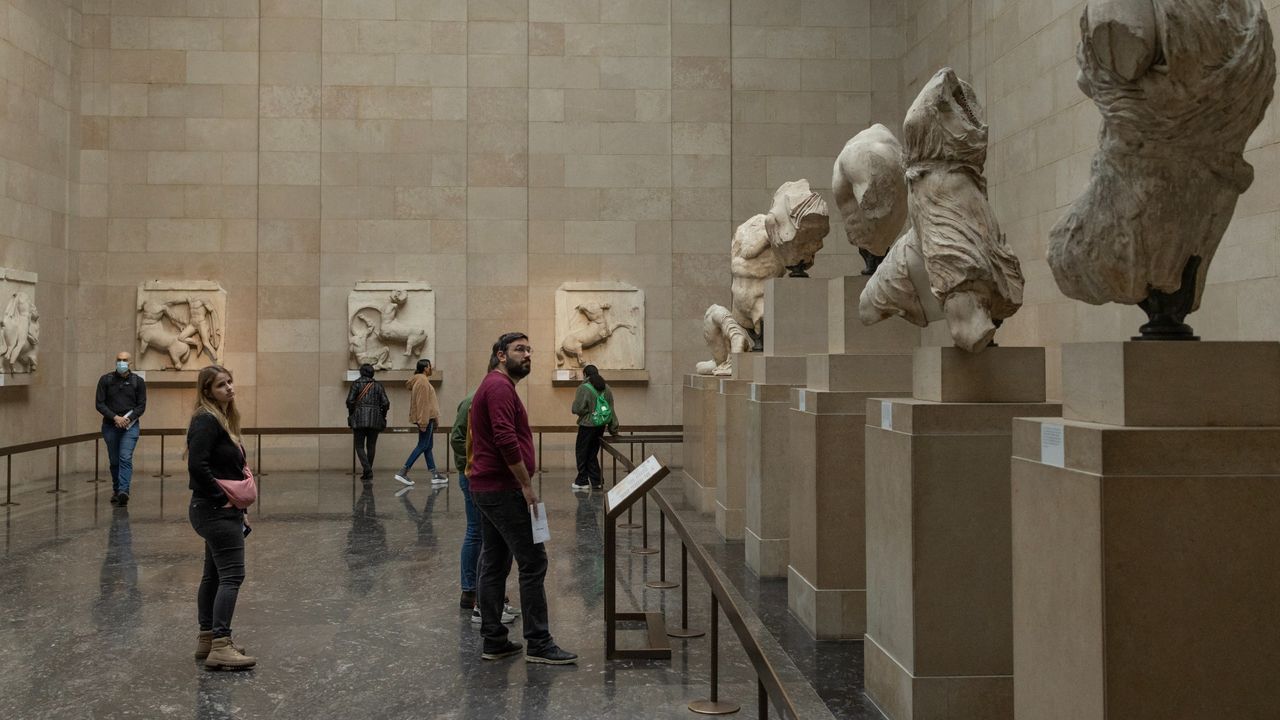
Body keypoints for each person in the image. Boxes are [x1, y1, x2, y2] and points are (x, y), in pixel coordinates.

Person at [468, 332, 577, 665]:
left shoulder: (494, 386)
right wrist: (526, 484)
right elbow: (504, 437)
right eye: (519, 349)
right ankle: (539, 643)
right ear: (501, 355)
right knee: (533, 562)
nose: (527, 354)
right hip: (503, 489)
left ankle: (494, 640)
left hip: (488, 487)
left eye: (530, 349)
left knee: (495, 563)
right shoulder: (500, 388)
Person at [186, 365, 255, 670]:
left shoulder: (222, 419)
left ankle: (208, 638)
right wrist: (224, 500)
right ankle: (222, 644)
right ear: (207, 392)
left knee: (213, 575)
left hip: (216, 510)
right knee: (232, 576)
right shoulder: (206, 419)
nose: (229, 388)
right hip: (214, 510)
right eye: (220, 385)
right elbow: (197, 468)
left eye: (230, 381)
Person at [451, 367, 518, 627]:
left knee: (485, 533)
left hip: (483, 475)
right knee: (477, 532)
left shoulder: (491, 395)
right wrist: (475, 463)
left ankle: (484, 592)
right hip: (475, 475)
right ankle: (472, 591)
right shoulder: (473, 400)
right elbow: (458, 438)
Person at [95, 351, 146, 507]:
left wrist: (127, 419)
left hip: (130, 427)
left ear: (130, 363)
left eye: (125, 360)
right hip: (110, 426)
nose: (121, 363)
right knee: (114, 460)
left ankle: (124, 491)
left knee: (125, 457)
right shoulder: (106, 380)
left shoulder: (138, 382)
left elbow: (141, 406)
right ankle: (117, 490)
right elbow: (99, 404)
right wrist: (115, 418)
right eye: (119, 360)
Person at [395, 359, 445, 486]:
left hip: (428, 418)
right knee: (423, 445)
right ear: (425, 368)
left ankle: (434, 474)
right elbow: (422, 403)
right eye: (429, 366)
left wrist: (434, 420)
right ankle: (403, 471)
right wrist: (423, 422)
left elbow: (428, 403)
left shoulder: (420, 380)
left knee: (427, 446)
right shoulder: (422, 381)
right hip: (426, 419)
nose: (431, 368)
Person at [570, 364, 619, 491]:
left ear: (585, 374)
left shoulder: (584, 388)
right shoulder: (606, 388)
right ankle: (597, 481)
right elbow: (611, 409)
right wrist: (613, 428)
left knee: (581, 453)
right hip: (600, 426)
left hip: (587, 425)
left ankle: (582, 481)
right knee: (592, 454)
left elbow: (577, 408)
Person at [346, 364, 390, 481]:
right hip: (375, 420)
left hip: (359, 418)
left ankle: (367, 470)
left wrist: (352, 413)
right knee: (371, 446)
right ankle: (368, 471)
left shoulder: (356, 384)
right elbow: (386, 403)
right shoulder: (378, 386)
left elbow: (349, 401)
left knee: (359, 446)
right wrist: (382, 415)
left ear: (361, 372)